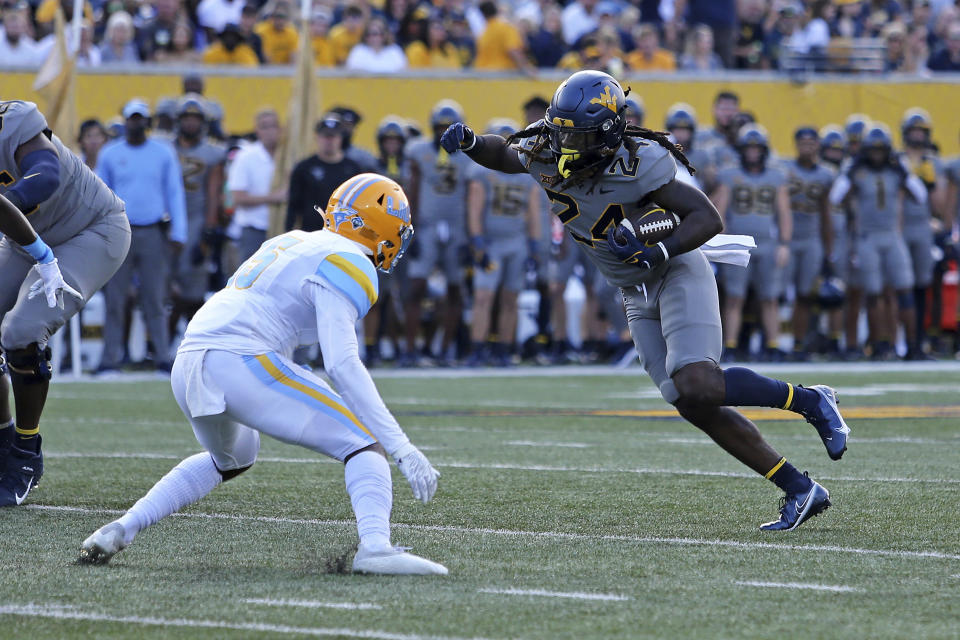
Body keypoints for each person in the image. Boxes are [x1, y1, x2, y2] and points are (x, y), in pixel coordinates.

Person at [439, 70, 851, 532]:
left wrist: (657, 247)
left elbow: (706, 217)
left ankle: (811, 400)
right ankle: (799, 488)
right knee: (689, 401)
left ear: (610, 133)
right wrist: (474, 143)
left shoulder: (641, 160)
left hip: (673, 269)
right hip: (631, 289)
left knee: (698, 382)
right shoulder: (546, 144)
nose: (567, 144)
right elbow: (505, 153)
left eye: (581, 134)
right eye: (563, 130)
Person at [79, 174, 447, 576]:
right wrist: (403, 447)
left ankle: (122, 527)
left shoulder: (291, 240)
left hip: (190, 359)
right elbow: (341, 364)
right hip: (240, 358)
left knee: (233, 457)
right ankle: (376, 547)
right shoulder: (351, 260)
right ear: (380, 228)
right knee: (365, 443)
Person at [0, 99, 130, 506]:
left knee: (21, 332)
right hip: (25, 238)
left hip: (90, 229)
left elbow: (45, 175)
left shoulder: (14, 121)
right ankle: (4, 441)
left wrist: (10, 205)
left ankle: (24, 451)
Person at [96, 99, 187, 374]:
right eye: (132, 118)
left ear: (147, 122)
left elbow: (174, 191)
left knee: (155, 297)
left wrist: (179, 232)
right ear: (124, 121)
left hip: (153, 230)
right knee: (115, 297)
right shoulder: (110, 153)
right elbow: (100, 194)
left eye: (140, 118)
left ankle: (161, 355)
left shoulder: (163, 152)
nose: (136, 123)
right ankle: (110, 358)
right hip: (119, 230)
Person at [829, 124, 928, 360]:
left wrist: (905, 173)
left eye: (881, 150)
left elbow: (920, 195)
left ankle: (913, 346)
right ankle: (880, 345)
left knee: (905, 289)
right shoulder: (857, 171)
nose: (876, 155)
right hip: (867, 236)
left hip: (892, 235)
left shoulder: (897, 170)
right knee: (872, 292)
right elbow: (836, 197)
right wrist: (850, 172)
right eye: (872, 151)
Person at [402, 100, 473, 366]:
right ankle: (410, 350)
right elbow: (413, 190)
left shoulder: (468, 156)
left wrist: (469, 237)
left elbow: (470, 197)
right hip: (428, 226)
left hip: (456, 229)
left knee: (456, 290)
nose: (444, 132)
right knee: (416, 286)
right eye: (440, 127)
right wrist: (412, 230)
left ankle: (444, 350)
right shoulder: (419, 151)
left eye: (449, 127)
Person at [713, 124, 792, 361]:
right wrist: (726, 242)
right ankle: (731, 345)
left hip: (767, 243)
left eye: (757, 148)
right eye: (749, 148)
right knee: (735, 297)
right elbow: (720, 210)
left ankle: (773, 344)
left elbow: (784, 212)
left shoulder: (776, 176)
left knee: (769, 298)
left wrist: (784, 244)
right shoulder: (730, 174)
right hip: (739, 243)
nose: (753, 152)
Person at [465, 120, 540, 366]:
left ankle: (504, 350)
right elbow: (474, 210)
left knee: (511, 299)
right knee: (483, 297)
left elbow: (532, 212)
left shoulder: (527, 174)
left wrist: (535, 246)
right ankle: (477, 349)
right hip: (492, 243)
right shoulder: (481, 172)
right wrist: (477, 242)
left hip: (517, 243)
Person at [170, 95, 226, 331]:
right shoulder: (164, 148)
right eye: (186, 118)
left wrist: (209, 229)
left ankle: (189, 338)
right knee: (164, 284)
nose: (190, 123)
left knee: (194, 285)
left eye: (195, 119)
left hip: (195, 219)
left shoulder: (213, 153)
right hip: (167, 220)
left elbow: (215, 194)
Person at [781, 127, 835, 359]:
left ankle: (798, 344)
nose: (807, 147)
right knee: (776, 293)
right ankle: (770, 342)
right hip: (787, 239)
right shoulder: (784, 170)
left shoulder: (826, 174)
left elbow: (826, 214)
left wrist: (829, 250)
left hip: (811, 238)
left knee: (805, 294)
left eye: (811, 142)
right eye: (802, 142)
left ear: (818, 145)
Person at [898, 109, 943, 357]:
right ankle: (900, 342)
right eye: (913, 131)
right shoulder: (896, 160)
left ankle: (923, 340)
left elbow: (937, 205)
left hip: (923, 228)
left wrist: (931, 181)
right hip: (900, 228)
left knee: (924, 285)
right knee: (900, 285)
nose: (916, 135)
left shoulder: (933, 162)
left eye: (920, 131)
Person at [286, 114, 364, 232]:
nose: (329, 141)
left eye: (333, 136)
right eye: (325, 136)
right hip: (311, 233)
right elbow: (293, 205)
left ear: (341, 138)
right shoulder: (304, 168)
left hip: (344, 233)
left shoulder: (353, 169)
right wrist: (289, 231)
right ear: (317, 137)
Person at [227, 108, 285, 262]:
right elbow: (238, 198)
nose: (270, 131)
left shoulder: (287, 158)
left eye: (273, 126)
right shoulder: (246, 157)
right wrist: (274, 198)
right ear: (257, 131)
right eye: (265, 127)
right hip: (254, 228)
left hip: (282, 229)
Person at [474, 0, 534, 74]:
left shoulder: (484, 32)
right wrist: (527, 69)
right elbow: (513, 49)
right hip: (502, 76)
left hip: (484, 75)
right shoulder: (506, 27)